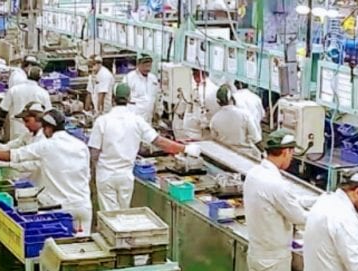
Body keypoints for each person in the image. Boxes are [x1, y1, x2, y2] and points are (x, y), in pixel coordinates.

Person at [88, 83, 199, 212]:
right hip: (125, 176)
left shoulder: (102, 121)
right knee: (123, 213)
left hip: (105, 175)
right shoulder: (136, 121)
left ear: (113, 98)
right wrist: (185, 149)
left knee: (109, 216)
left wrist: (93, 173)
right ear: (129, 99)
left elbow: (94, 153)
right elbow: (159, 141)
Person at [0, 109, 92, 234]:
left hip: (59, 208)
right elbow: (87, 174)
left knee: (57, 247)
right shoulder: (81, 146)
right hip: (83, 205)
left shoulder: (46, 146)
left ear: (48, 128)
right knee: (82, 247)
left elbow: (14, 155)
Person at [243, 129, 306, 271]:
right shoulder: (275, 183)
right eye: (292, 153)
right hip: (274, 259)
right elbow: (300, 218)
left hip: (256, 251)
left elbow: (283, 203)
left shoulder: (254, 174)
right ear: (286, 152)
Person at [0, 101, 47, 181]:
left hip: (39, 180)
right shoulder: (28, 135)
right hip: (25, 177)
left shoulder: (44, 139)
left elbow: (35, 164)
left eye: (27, 121)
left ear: (39, 119)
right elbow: (12, 145)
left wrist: (9, 164)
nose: (25, 125)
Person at [209, 85, 262, 159]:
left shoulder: (214, 119)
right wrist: (264, 152)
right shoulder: (245, 115)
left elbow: (214, 141)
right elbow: (256, 139)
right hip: (245, 156)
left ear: (218, 102)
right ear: (232, 99)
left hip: (225, 156)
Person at [0, 66, 51, 141]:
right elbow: (48, 112)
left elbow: (4, 108)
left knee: (15, 150)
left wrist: (0, 126)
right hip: (34, 130)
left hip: (16, 128)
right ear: (39, 79)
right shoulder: (43, 93)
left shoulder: (14, 89)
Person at [125, 55, 159, 123]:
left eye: (149, 66)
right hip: (135, 116)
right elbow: (123, 95)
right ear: (138, 65)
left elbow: (155, 96)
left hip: (148, 116)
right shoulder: (130, 77)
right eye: (145, 66)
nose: (147, 69)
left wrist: (157, 111)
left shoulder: (153, 78)